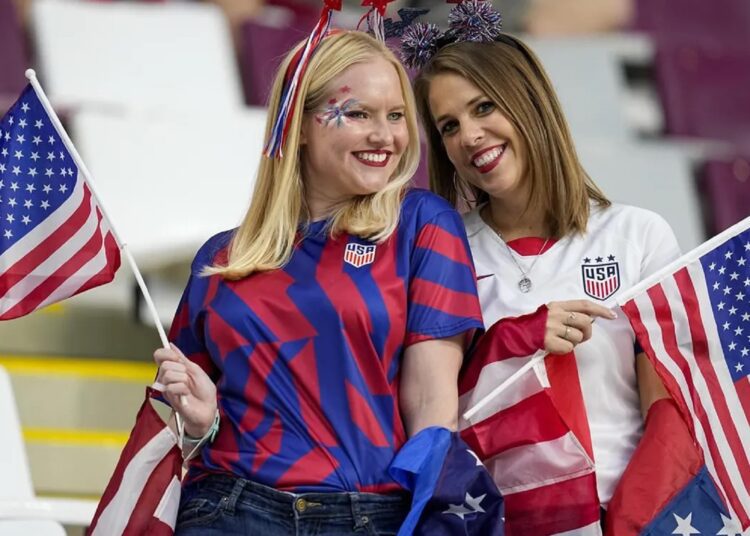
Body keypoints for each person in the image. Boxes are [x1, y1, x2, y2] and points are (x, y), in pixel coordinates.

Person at [153, 29, 484, 535]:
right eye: (358, 114)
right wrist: (202, 423)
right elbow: (180, 428)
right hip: (226, 506)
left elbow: (431, 403)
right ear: (299, 124)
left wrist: (430, 515)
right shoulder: (221, 258)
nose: (386, 136)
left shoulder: (422, 224)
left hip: (365, 514)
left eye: (396, 115)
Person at [411, 23, 681, 528]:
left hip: (625, 516)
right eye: (448, 126)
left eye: (484, 107)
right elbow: (433, 415)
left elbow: (667, 416)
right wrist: (512, 342)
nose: (469, 136)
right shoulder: (439, 252)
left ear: (530, 102)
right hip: (497, 520)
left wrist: (634, 518)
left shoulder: (639, 234)